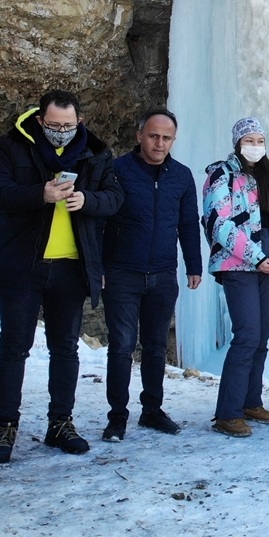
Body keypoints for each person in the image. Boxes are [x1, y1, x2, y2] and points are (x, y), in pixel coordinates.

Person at [0, 89, 124, 463]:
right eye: (54, 125)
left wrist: (86, 201)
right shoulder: (11, 146)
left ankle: (60, 423)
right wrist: (39, 195)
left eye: (68, 125)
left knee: (65, 349)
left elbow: (114, 197)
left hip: (72, 266)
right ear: (41, 120)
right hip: (22, 265)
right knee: (14, 348)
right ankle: (5, 427)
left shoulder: (95, 151)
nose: (61, 131)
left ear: (79, 121)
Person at [100, 108, 203, 442]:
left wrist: (194, 265)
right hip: (121, 273)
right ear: (139, 135)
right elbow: (100, 220)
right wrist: (98, 266)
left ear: (174, 139)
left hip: (162, 273)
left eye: (167, 137)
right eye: (154, 136)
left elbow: (188, 223)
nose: (160, 143)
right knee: (121, 346)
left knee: (156, 346)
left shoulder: (182, 176)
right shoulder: (115, 171)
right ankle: (117, 417)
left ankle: (152, 411)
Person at [202, 117, 269, 438]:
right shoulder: (222, 174)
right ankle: (227, 413)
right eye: (250, 140)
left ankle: (250, 401)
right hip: (239, 265)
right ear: (237, 143)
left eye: (260, 140)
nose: (256, 146)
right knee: (246, 335)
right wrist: (257, 258)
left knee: (260, 338)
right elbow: (219, 222)